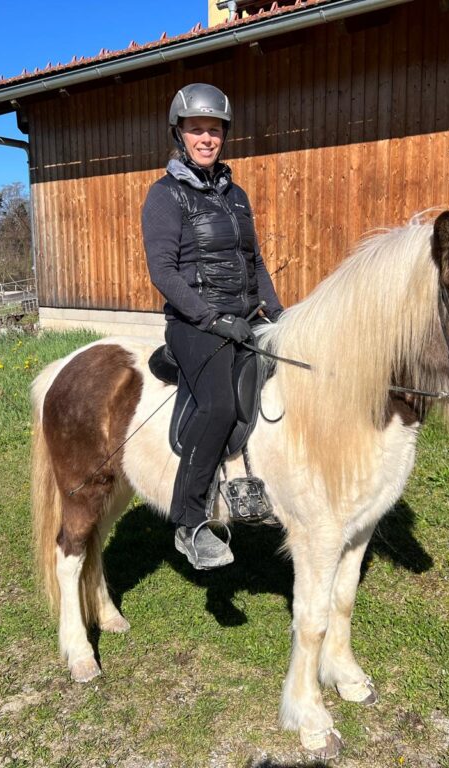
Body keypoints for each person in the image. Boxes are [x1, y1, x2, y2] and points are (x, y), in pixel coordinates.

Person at [141, 83, 284, 570]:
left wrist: (276, 313)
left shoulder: (235, 195)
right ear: (180, 135)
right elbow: (163, 272)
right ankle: (190, 522)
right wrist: (213, 319)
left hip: (244, 319)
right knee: (220, 405)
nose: (207, 138)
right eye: (196, 129)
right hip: (194, 323)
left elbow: (253, 261)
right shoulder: (165, 195)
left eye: (215, 130)